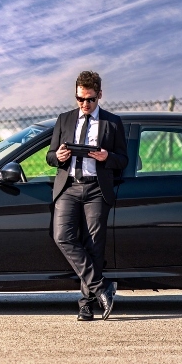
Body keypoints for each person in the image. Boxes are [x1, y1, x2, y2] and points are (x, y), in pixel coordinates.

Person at [46, 71, 128, 321]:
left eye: (90, 99)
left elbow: (124, 160)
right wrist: (58, 157)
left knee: (94, 245)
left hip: (96, 189)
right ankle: (102, 286)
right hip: (68, 187)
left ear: (99, 95)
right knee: (63, 237)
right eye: (80, 99)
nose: (84, 104)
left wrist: (107, 157)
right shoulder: (65, 119)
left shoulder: (112, 123)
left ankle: (86, 304)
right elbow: (50, 156)